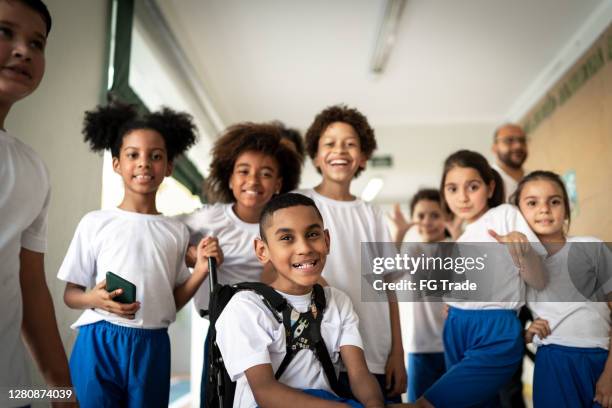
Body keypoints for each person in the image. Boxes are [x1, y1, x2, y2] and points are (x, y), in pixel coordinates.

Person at [57, 102, 221, 407]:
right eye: (133, 155)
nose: (144, 163)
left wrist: (200, 270)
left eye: (155, 156)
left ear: (169, 166)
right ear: (117, 163)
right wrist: (93, 299)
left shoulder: (176, 231)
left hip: (153, 344)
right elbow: (70, 294)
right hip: (99, 340)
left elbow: (171, 300)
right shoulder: (95, 222)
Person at [215, 193, 387, 408]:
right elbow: (265, 392)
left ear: (326, 241)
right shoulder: (246, 307)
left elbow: (360, 375)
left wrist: (373, 404)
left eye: (312, 234)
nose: (304, 248)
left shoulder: (337, 302)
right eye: (287, 238)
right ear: (262, 250)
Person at [174, 122, 302, 406]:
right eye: (243, 171)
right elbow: (166, 235)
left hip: (273, 328)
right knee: (217, 399)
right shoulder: (210, 218)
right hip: (221, 329)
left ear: (279, 184)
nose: (253, 181)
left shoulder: (285, 224)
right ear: (230, 178)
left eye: (266, 174)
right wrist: (195, 255)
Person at [412, 150, 546, 408]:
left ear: (490, 186)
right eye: (452, 189)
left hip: (494, 327)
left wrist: (523, 251)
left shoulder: (506, 214)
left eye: (472, 187)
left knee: (429, 403)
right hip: (456, 326)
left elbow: (540, 280)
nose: (462, 197)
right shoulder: (461, 237)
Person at [297, 105, 406, 401]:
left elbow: (388, 286)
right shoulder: (300, 203)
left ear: (363, 156)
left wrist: (398, 351)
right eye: (330, 143)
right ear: (317, 155)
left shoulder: (371, 214)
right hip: (321, 350)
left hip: (376, 351)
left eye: (350, 143)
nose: (339, 150)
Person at [0, 1, 74, 406]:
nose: (24, 50)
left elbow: (31, 287)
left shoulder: (32, 169)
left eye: (37, 43)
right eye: (4, 32)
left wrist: (64, 390)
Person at [514, 171, 612, 407]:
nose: (544, 209)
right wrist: (524, 335)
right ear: (518, 213)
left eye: (554, 201)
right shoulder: (518, 265)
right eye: (532, 203)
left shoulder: (592, 248)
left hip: (600, 357)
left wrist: (610, 373)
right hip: (553, 360)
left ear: (566, 210)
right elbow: (497, 320)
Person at [394, 189, 448, 402]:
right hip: (419, 346)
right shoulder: (410, 250)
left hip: (451, 345)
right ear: (413, 220)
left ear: (446, 217)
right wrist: (399, 234)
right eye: (421, 216)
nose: (428, 221)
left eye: (435, 215)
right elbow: (384, 271)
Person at [491, 122, 531, 408]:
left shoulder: (531, 182)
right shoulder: (492, 183)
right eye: (508, 140)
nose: (516, 145)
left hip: (536, 279)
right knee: (507, 371)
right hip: (503, 289)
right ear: (495, 147)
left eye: (520, 140)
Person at [491, 123, 528, 203]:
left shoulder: (536, 178)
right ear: (494, 148)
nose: (518, 146)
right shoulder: (487, 180)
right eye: (509, 140)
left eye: (522, 140)